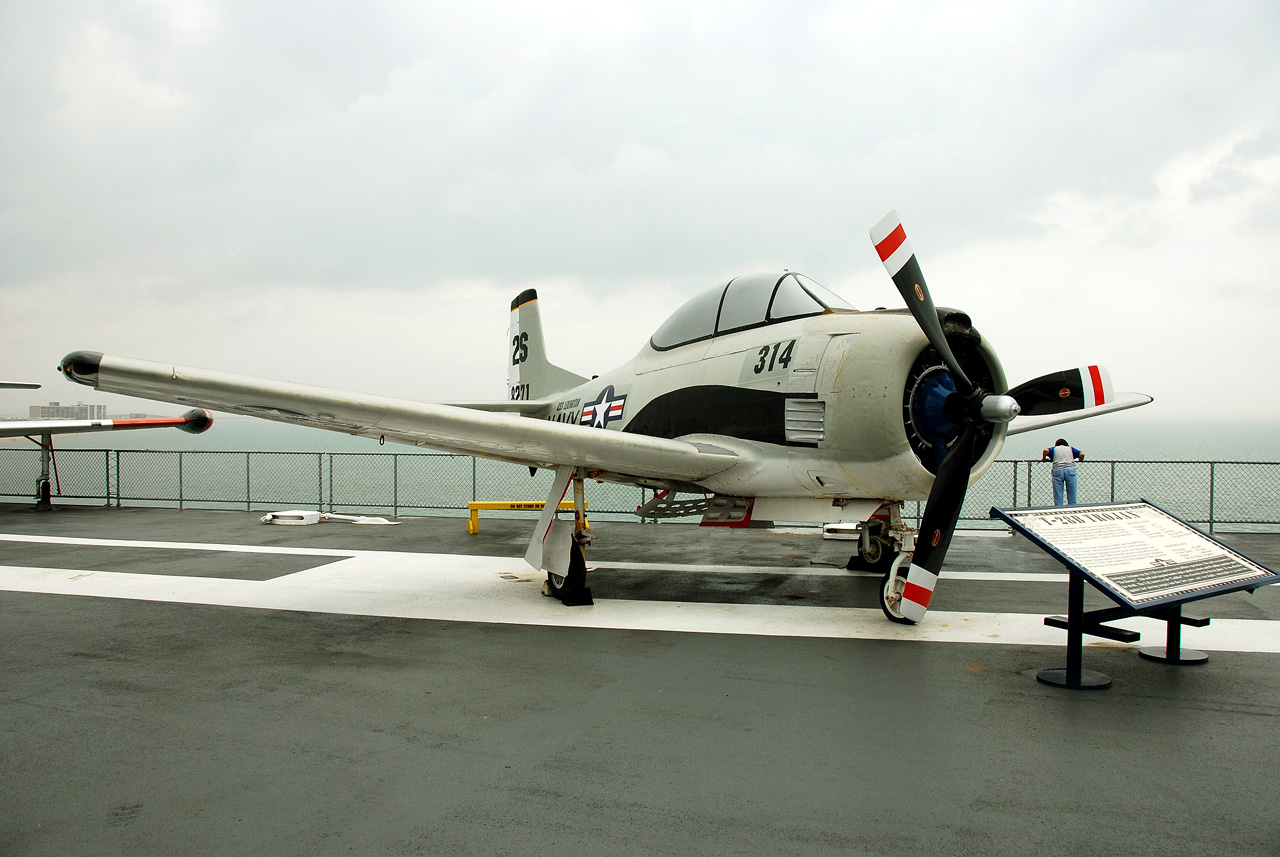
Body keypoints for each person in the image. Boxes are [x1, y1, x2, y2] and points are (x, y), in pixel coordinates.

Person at [1041, 438, 1084, 505]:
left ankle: (1059, 509)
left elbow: (1046, 450)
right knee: (1072, 492)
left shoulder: (1055, 449)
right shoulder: (1070, 449)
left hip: (1058, 471)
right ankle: (1073, 508)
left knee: (1058, 493)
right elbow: (1082, 454)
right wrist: (1080, 460)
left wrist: (1043, 458)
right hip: (1070, 471)